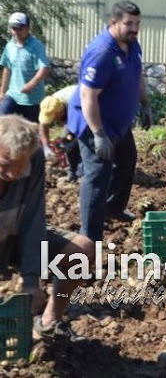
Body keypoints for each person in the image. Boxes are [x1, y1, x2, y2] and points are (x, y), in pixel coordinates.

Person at [0, 114, 95, 341]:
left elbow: (33, 218)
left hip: (13, 234)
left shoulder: (34, 160)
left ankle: (50, 322)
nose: (13, 175)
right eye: (5, 166)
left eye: (19, 168)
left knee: (81, 250)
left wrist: (31, 282)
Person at [67, 0, 153, 242]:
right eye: (128, 24)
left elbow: (138, 75)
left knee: (127, 160)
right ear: (113, 23)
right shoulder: (102, 52)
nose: (134, 28)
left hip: (118, 124)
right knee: (98, 176)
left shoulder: (132, 45)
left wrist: (145, 104)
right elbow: (88, 95)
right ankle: (89, 237)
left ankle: (113, 208)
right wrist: (98, 134)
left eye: (137, 23)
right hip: (94, 123)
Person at [0, 12, 51, 123]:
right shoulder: (10, 46)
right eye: (14, 28)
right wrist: (2, 92)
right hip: (12, 95)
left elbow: (44, 68)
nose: (16, 31)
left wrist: (31, 84)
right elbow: (7, 69)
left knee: (31, 133)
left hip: (32, 100)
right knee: (2, 121)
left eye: (19, 28)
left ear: (28, 28)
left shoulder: (36, 46)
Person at [39, 85, 82, 181]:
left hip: (90, 111)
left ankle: (82, 172)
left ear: (60, 111)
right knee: (65, 142)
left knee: (82, 143)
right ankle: (72, 173)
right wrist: (46, 147)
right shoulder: (49, 103)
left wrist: (73, 140)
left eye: (54, 117)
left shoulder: (75, 101)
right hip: (71, 113)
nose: (54, 120)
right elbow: (43, 125)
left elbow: (83, 127)